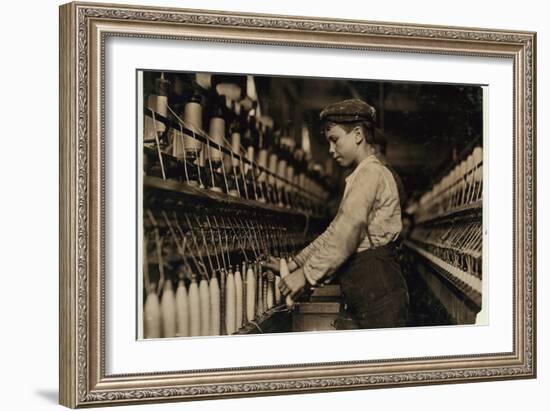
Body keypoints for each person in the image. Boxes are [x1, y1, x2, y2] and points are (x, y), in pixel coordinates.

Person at [267, 98, 409, 329]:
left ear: (357, 134)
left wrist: (306, 276)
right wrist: (293, 264)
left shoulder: (371, 175)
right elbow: (334, 231)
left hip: (379, 292)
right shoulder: (360, 176)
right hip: (370, 290)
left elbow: (347, 233)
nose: (331, 150)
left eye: (335, 140)